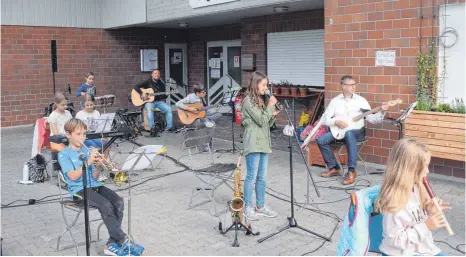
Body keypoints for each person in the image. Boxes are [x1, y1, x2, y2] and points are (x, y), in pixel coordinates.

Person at [58, 118, 144, 256]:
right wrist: (89, 161)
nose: (82, 137)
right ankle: (122, 240)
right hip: (78, 190)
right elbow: (73, 177)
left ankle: (111, 243)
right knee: (106, 205)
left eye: (84, 134)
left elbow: (96, 176)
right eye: (78, 134)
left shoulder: (87, 151)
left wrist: (102, 164)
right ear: (68, 134)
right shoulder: (64, 154)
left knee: (118, 202)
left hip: (94, 185)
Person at [375, 138, 451, 256]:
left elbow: (417, 219)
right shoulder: (394, 200)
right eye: (425, 166)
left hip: (421, 249)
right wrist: (426, 227)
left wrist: (430, 211)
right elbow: (394, 241)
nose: (427, 171)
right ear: (409, 169)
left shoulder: (417, 188)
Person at [316, 75, 388, 185]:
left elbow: (372, 119)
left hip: (357, 132)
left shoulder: (361, 101)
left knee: (350, 134)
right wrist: (335, 122)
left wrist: (382, 111)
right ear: (343, 86)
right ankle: (334, 167)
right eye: (351, 85)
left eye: (355, 84)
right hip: (339, 131)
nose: (354, 87)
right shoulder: (335, 101)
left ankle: (351, 171)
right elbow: (325, 119)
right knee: (321, 140)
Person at [240, 71, 280, 221]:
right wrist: (270, 107)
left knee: (262, 177)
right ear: (255, 84)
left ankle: (260, 206)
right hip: (253, 142)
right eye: (264, 84)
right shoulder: (248, 101)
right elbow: (260, 120)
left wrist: (273, 114)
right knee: (252, 176)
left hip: (264, 141)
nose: (266, 87)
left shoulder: (262, 100)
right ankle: (248, 208)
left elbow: (266, 123)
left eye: (267, 85)